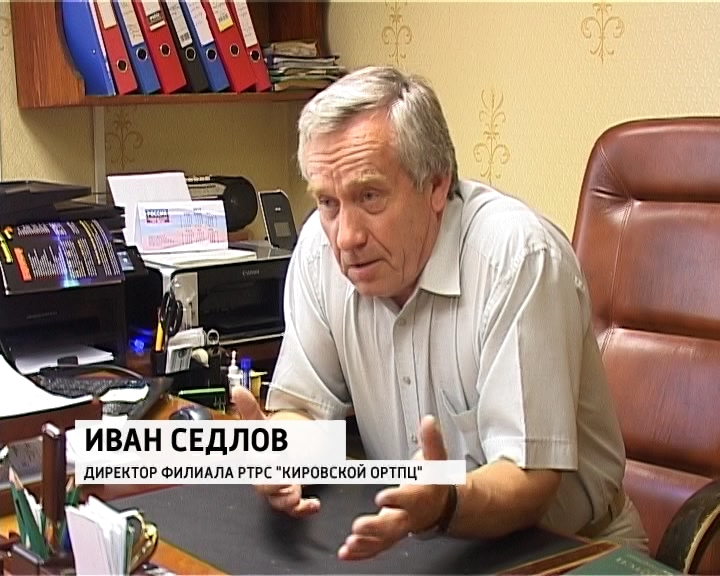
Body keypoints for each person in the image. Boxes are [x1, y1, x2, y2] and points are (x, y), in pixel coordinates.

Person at [232, 65, 648, 561]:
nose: (346, 236)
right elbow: (303, 408)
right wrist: (284, 454)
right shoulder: (320, 255)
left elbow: (529, 480)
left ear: (435, 184)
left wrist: (445, 502)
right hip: (424, 548)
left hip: (573, 551)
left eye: (369, 196)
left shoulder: (517, 259)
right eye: (328, 202)